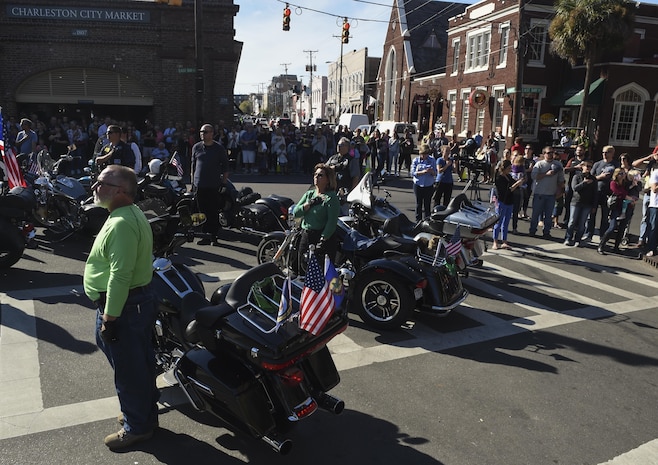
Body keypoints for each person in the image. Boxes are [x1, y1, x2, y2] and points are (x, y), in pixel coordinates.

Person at [83, 165, 158, 450]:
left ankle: (137, 426)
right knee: (137, 365)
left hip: (125, 307)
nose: (95, 187)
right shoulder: (126, 214)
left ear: (119, 192)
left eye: (101, 183)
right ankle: (140, 412)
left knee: (129, 370)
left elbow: (120, 275)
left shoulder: (122, 222)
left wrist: (109, 317)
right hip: (134, 304)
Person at [293, 163, 340, 267]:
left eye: (320, 175)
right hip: (306, 236)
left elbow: (332, 222)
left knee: (320, 272)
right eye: (315, 174)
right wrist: (307, 205)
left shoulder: (331, 198)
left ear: (328, 180)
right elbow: (296, 212)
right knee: (303, 267)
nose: (316, 177)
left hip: (322, 239)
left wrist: (323, 240)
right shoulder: (309, 194)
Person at [191, 124, 229, 245]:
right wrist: (193, 182)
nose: (202, 134)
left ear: (212, 133)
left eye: (205, 132)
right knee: (202, 212)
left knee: (213, 211)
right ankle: (205, 236)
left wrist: (223, 183)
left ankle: (214, 237)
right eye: (201, 131)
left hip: (213, 185)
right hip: (199, 185)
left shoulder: (218, 149)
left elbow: (226, 168)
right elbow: (193, 166)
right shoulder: (196, 147)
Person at [529, 147, 565, 238]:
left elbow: (561, 179)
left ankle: (546, 232)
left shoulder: (558, 165)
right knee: (535, 214)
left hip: (551, 194)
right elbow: (533, 176)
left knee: (548, 216)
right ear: (544, 153)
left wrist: (561, 190)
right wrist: (546, 174)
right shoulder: (539, 164)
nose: (550, 154)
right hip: (539, 193)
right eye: (548, 153)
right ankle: (532, 230)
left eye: (552, 152)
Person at [598, 168, 635, 255]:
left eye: (623, 173)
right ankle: (601, 245)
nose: (623, 175)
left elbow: (627, 191)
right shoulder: (613, 183)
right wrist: (628, 197)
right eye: (620, 173)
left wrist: (632, 186)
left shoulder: (625, 184)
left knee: (622, 228)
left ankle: (616, 247)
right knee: (612, 227)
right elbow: (618, 192)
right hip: (615, 208)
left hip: (624, 208)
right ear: (616, 175)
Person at [492, 159, 525, 250]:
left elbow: (513, 183)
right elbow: (507, 190)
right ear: (504, 168)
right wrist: (516, 184)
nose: (510, 169)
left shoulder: (509, 176)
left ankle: (504, 241)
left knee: (506, 223)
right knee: (498, 222)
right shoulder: (499, 178)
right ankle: (495, 241)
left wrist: (519, 181)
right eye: (509, 168)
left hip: (509, 202)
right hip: (502, 201)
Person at [586, 145, 617, 241]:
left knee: (605, 216)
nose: (604, 154)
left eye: (607, 152)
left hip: (608, 194)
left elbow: (619, 178)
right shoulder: (597, 164)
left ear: (612, 153)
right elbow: (590, 177)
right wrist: (600, 177)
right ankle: (588, 234)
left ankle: (602, 237)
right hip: (596, 192)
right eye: (603, 152)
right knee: (592, 214)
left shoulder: (616, 165)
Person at [563, 160, 596, 247]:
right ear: (582, 167)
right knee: (572, 221)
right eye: (587, 166)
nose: (588, 168)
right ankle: (568, 238)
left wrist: (594, 205)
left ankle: (578, 239)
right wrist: (584, 183)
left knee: (582, 223)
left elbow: (595, 193)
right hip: (576, 202)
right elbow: (575, 188)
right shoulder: (576, 177)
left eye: (590, 167)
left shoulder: (593, 179)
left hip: (587, 203)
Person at [632, 147, 658, 248]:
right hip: (648, 193)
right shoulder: (651, 163)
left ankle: (650, 240)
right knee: (645, 217)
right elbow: (635, 165)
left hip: (655, 194)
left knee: (654, 220)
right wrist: (648, 157)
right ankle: (642, 239)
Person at [411, 143, 436, 221]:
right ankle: (417, 221)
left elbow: (435, 173)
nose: (424, 156)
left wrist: (431, 171)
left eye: (426, 154)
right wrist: (423, 172)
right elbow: (413, 173)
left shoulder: (432, 160)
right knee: (419, 204)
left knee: (427, 204)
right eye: (423, 154)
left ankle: (427, 220)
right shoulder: (416, 160)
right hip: (418, 185)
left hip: (428, 185)